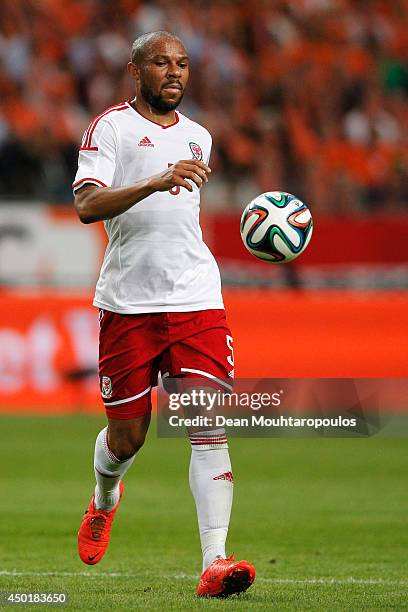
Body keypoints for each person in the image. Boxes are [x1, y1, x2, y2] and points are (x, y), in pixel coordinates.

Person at [73, 30, 255, 598]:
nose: (173, 72)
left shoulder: (200, 136)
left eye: (181, 64)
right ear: (135, 70)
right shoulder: (111, 128)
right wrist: (155, 179)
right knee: (126, 440)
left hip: (197, 300)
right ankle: (105, 499)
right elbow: (85, 204)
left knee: (208, 427)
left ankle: (215, 562)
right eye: (160, 63)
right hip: (128, 306)